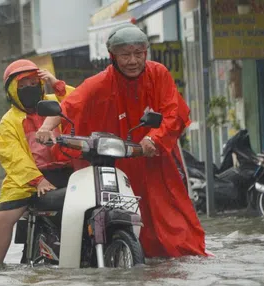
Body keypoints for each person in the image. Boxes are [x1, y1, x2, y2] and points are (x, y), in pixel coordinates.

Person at [36, 24, 210, 258]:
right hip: (116, 163)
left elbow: (174, 113)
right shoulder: (100, 82)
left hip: (155, 159)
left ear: (145, 54)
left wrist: (154, 138)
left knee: (175, 220)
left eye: (138, 54)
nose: (132, 60)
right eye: (125, 55)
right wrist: (47, 127)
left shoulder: (158, 74)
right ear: (113, 57)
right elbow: (70, 105)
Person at [0, 59, 75, 265]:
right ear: (12, 90)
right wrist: (38, 181)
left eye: (34, 83)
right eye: (23, 85)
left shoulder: (55, 101)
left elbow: (79, 101)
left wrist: (57, 83)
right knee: (3, 219)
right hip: (29, 178)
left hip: (68, 168)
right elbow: (13, 157)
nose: (30, 89)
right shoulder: (8, 122)